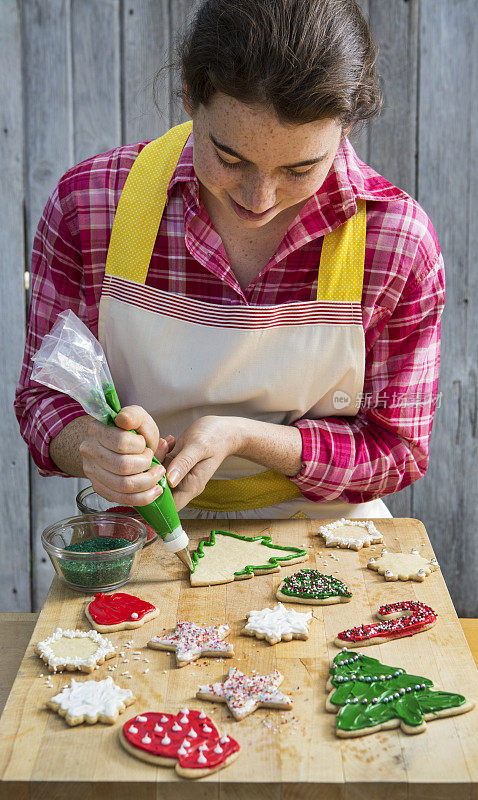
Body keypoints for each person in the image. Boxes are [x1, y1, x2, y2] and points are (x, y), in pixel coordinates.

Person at [14, 0, 444, 522]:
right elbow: (43, 399)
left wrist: (247, 437)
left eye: (300, 168)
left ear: (346, 127)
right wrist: (91, 444)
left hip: (332, 538)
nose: (259, 198)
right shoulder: (92, 204)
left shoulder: (394, 240)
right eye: (230, 158)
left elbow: (397, 448)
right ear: (191, 95)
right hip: (146, 527)